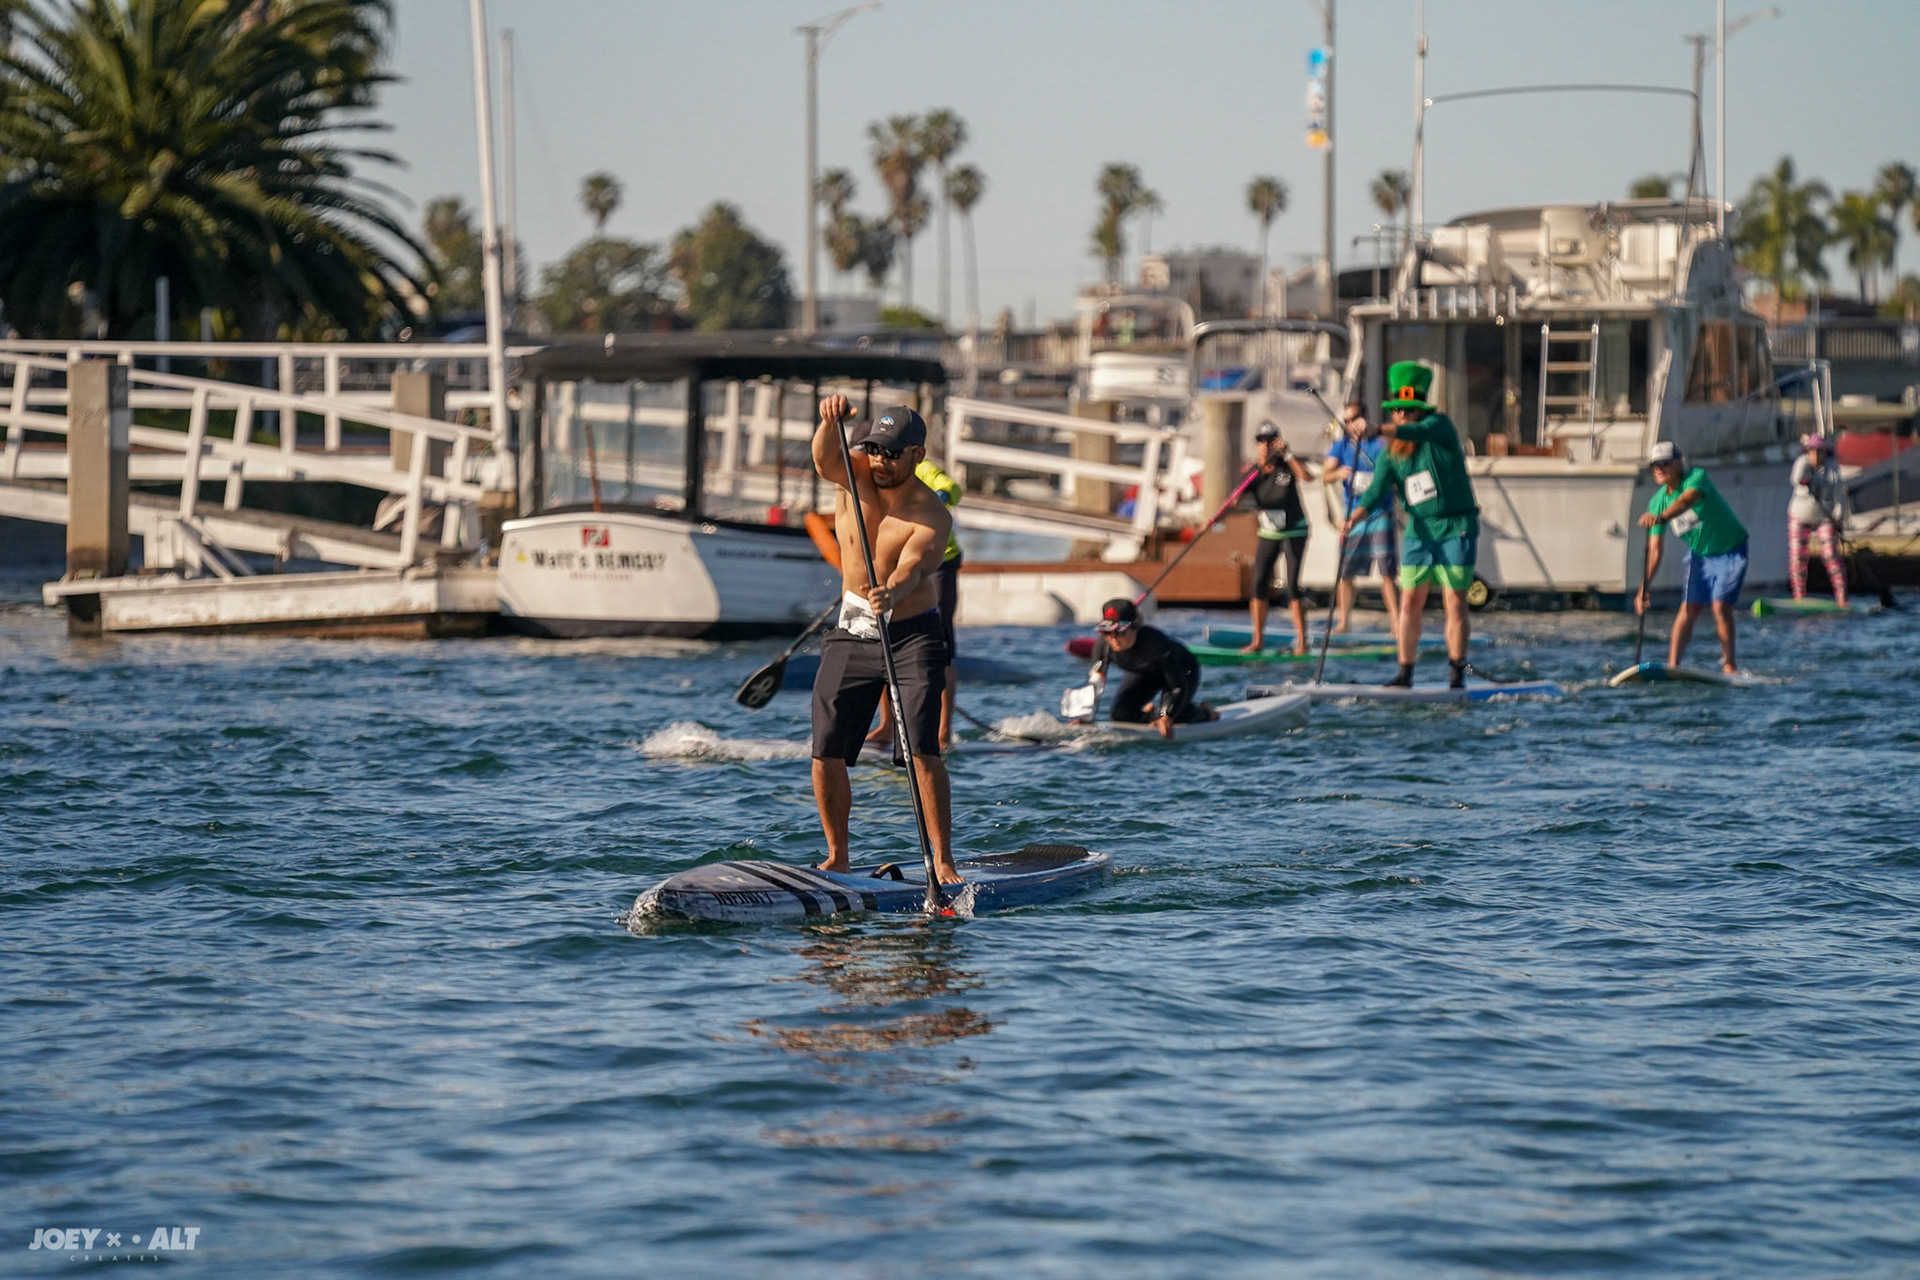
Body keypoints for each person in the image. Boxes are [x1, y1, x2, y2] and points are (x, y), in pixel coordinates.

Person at [809, 398, 961, 885]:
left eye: (892, 453)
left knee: (921, 748)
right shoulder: (852, 471)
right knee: (826, 748)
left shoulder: (931, 513)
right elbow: (822, 459)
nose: (879, 460)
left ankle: (942, 861)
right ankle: (838, 856)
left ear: (917, 454)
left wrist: (892, 588)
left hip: (912, 635)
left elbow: (917, 565)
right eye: (873, 448)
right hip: (853, 631)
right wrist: (830, 422)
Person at [1341, 362, 1480, 689]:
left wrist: (1376, 430)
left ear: (1420, 411)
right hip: (1420, 531)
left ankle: (1456, 674)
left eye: (1408, 410)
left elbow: (1417, 432)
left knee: (1453, 602)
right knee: (1408, 602)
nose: (1402, 415)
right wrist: (1353, 518)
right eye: (1397, 410)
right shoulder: (1391, 455)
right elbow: (1375, 493)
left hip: (1455, 526)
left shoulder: (1439, 426)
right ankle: (1405, 674)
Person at [865, 454, 964, 749]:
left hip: (939, 562)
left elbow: (954, 490)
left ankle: (943, 731)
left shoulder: (921, 469)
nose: (883, 456)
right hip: (897, 563)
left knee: (941, 644)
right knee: (886, 641)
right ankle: (887, 727)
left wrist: (928, 500)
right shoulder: (870, 475)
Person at [1636, 441, 1749, 673]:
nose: (1658, 469)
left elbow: (1685, 501)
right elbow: (1655, 550)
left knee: (1719, 606)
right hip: (1700, 555)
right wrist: (1643, 588)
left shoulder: (1696, 477)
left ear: (1679, 463)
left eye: (1664, 464)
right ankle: (1673, 665)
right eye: (1654, 466)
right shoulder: (1656, 502)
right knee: (1689, 608)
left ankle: (1729, 664)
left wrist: (1661, 518)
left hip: (1730, 549)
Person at [1321, 399, 1401, 634]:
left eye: (1354, 419)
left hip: (1379, 513)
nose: (1349, 424)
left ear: (1363, 419)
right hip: (1351, 517)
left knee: (1387, 571)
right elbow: (1325, 475)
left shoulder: (1379, 444)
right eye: (1345, 421)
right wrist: (1337, 473)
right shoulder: (1341, 446)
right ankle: (1344, 621)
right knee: (1345, 572)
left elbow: (1391, 466)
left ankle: (1396, 622)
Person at [1085, 598, 1214, 740]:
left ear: (1135, 627)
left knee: (1176, 717)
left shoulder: (1156, 643)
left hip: (1182, 671)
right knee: (1120, 715)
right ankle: (1151, 714)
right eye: (1107, 632)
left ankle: (1206, 712)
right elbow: (1094, 685)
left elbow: (1176, 687)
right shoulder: (1103, 648)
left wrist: (1165, 716)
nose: (1114, 639)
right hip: (1145, 673)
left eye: (1120, 632)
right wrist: (1084, 717)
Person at [1240, 422, 1312, 654]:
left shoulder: (1286, 467)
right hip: (1269, 533)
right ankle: (1257, 640)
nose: (1266, 445)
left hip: (1294, 532)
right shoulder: (1254, 473)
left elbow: (1307, 477)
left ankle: (1302, 641)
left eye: (1270, 441)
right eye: (1261, 441)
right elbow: (1235, 500)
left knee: (1291, 585)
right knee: (1258, 583)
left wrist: (1288, 454)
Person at [1788, 434, 1848, 605]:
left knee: (1830, 554)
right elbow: (1795, 479)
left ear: (1824, 452)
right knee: (1797, 557)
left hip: (1824, 517)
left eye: (1819, 452)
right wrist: (1805, 480)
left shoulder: (1832, 470)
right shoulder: (1802, 463)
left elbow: (1839, 498)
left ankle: (1842, 598)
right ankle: (1799, 597)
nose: (1815, 456)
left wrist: (1838, 519)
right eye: (1812, 452)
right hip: (1800, 515)